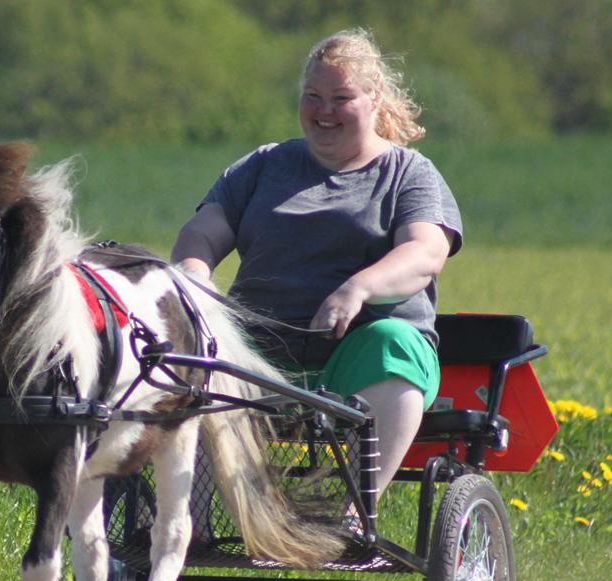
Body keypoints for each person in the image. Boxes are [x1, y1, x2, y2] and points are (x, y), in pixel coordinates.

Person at [172, 28, 462, 512]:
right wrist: (193, 276)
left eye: (341, 98)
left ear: (373, 100)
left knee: (395, 343)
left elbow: (425, 253)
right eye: (314, 97)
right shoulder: (263, 166)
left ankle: (353, 516)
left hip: (360, 353)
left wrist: (359, 289)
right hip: (260, 352)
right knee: (195, 352)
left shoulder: (409, 174)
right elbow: (202, 232)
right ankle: (183, 526)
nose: (324, 111)